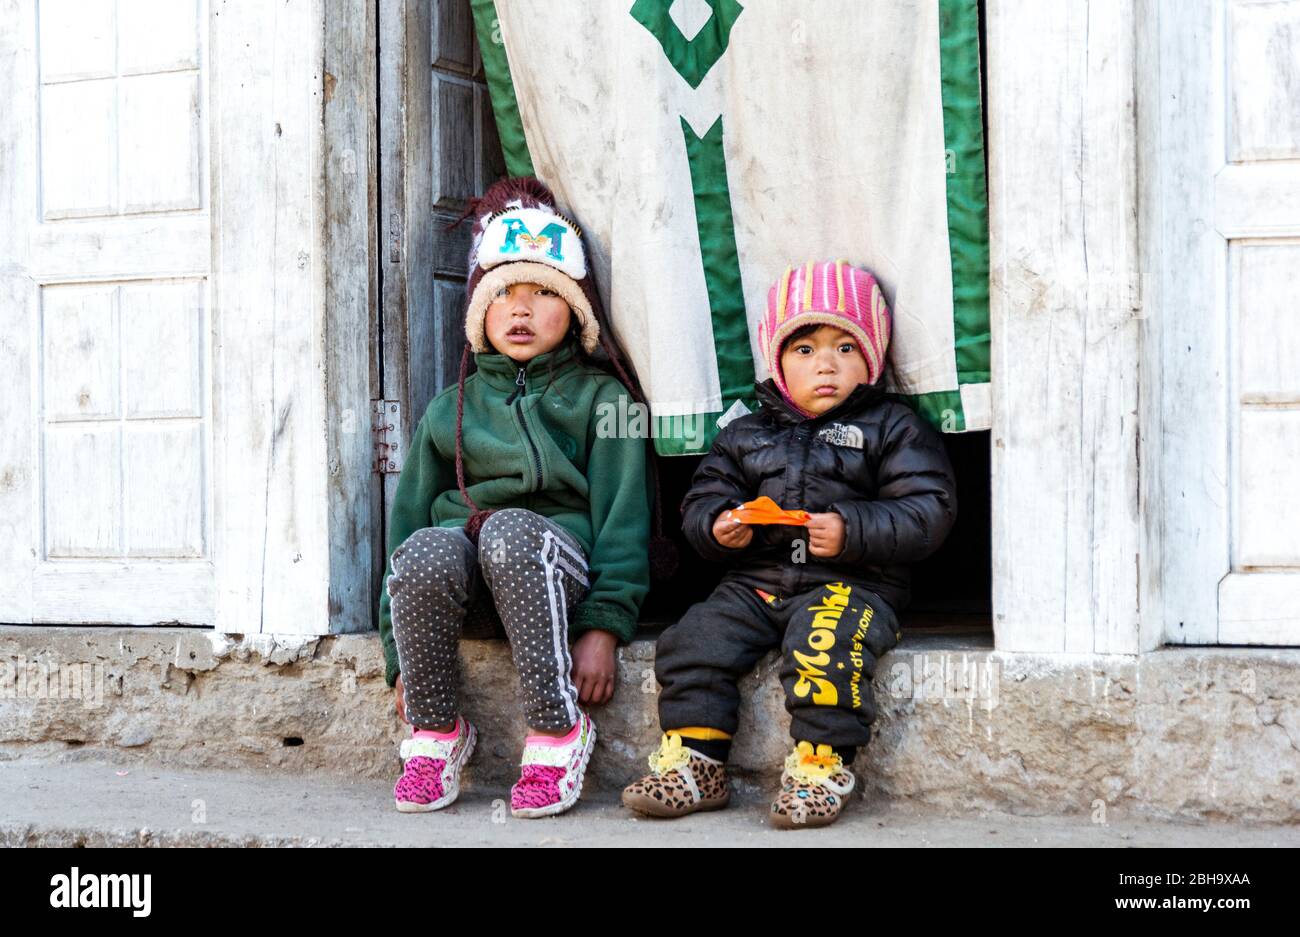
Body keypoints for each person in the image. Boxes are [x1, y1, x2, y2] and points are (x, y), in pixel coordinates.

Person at [621, 260, 959, 829]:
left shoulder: (891, 427)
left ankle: (820, 765)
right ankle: (697, 764)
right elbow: (702, 499)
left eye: (845, 348)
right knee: (694, 639)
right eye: (804, 349)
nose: (825, 364)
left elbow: (928, 510)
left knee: (824, 645)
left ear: (872, 359)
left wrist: (852, 529)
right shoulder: (746, 433)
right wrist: (720, 525)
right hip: (755, 584)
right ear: (777, 362)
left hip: (852, 584)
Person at [379, 176, 667, 818]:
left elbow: (624, 524)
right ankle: (436, 733)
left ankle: (557, 730)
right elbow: (403, 533)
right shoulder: (448, 411)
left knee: (511, 532)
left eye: (544, 293)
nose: (521, 308)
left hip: (558, 583)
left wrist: (604, 629)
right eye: (504, 291)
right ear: (480, 309)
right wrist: (400, 657)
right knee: (428, 548)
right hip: (473, 592)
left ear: (577, 313)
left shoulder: (606, 402)